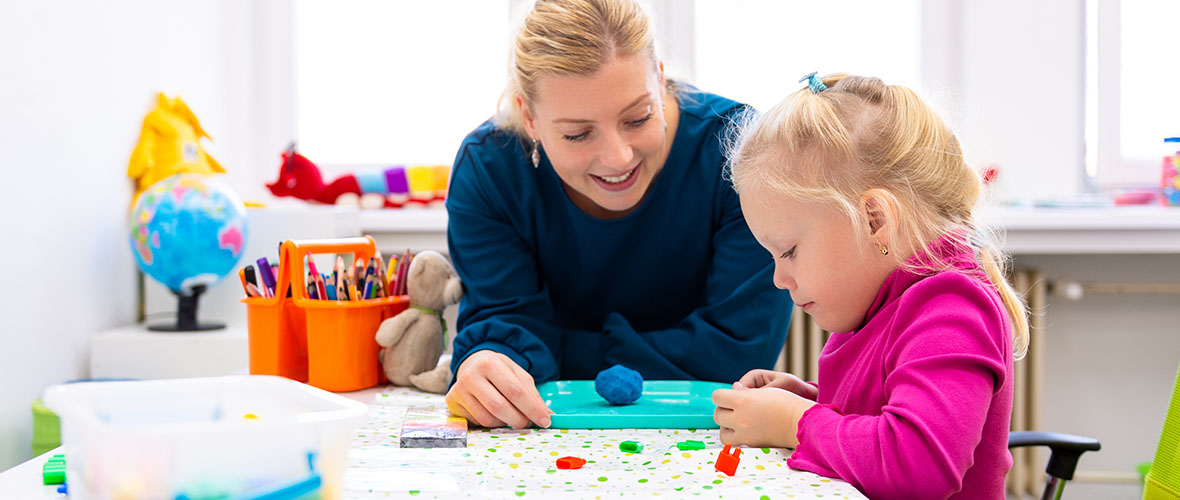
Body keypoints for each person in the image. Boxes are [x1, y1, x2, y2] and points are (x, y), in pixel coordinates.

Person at [444, 0, 793, 430]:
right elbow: (504, 330)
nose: (618, 157)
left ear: (660, 80)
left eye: (638, 117)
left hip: (709, 431)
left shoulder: (739, 153)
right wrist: (488, 364)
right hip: (547, 435)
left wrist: (557, 353)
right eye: (577, 133)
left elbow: (738, 352)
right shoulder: (489, 171)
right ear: (530, 118)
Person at [713, 73, 1029, 500]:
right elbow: (885, 415)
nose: (778, 279)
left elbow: (916, 466)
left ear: (874, 220)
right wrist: (811, 400)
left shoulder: (952, 308)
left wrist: (796, 422)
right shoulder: (879, 300)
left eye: (787, 251)